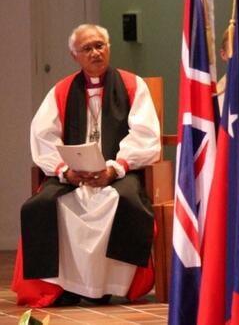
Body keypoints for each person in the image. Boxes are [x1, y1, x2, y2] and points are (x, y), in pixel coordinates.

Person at [14, 24, 160, 306]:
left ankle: (108, 285)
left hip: (118, 172)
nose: (95, 53)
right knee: (40, 207)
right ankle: (63, 288)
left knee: (120, 201)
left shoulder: (133, 85)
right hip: (73, 175)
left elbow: (145, 134)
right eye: (87, 49)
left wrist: (114, 169)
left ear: (109, 49)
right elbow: (43, 135)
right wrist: (63, 171)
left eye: (100, 46)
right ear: (74, 56)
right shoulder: (62, 90)